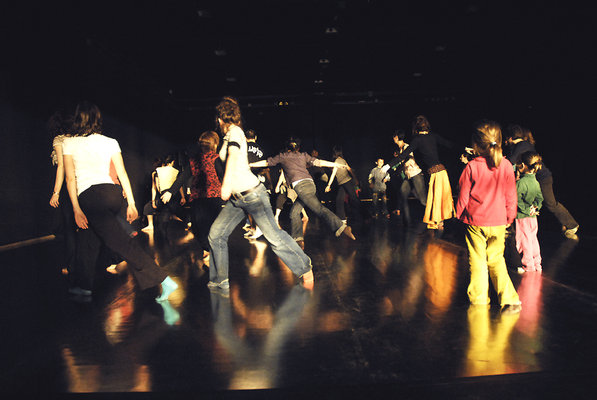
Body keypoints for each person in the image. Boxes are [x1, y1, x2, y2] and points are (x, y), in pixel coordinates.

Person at [63, 101, 177, 302]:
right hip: (112, 193)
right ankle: (82, 286)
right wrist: (131, 203)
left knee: (120, 242)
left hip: (90, 197)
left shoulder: (69, 143)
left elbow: (70, 178)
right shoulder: (110, 141)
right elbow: (122, 173)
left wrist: (76, 208)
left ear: (78, 119)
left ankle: (164, 279)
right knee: (87, 240)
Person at [207, 97, 314, 290]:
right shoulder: (228, 136)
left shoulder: (235, 132)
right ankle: (219, 280)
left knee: (273, 236)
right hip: (237, 199)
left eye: (217, 118)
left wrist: (225, 185)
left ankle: (305, 267)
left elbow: (232, 156)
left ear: (220, 118)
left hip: (252, 195)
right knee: (215, 234)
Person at [456, 120, 521, 313]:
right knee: (497, 259)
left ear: (475, 144)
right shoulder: (507, 166)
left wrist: (459, 214)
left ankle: (479, 300)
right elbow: (511, 196)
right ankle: (509, 299)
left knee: (477, 260)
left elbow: (463, 195)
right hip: (500, 221)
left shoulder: (471, 167)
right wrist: (510, 217)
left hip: (475, 222)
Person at [250, 137, 356, 249]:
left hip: (301, 188)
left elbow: (266, 162)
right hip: (310, 185)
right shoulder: (303, 155)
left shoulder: (283, 156)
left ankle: (342, 227)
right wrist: (335, 165)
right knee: (294, 213)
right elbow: (319, 162)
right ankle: (298, 239)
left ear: (287, 148)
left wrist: (251, 165)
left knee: (319, 209)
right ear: (298, 148)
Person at [505, 125, 579, 239]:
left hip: (543, 179)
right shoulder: (520, 146)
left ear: (510, 138)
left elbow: (511, 162)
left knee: (550, 204)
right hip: (532, 180)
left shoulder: (522, 145)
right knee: (519, 201)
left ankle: (572, 224)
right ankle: (510, 228)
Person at [162, 131, 224, 260]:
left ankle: (211, 250)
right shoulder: (194, 160)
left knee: (212, 227)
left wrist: (230, 191)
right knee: (197, 226)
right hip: (198, 198)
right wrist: (170, 191)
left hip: (213, 197)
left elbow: (222, 176)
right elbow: (183, 177)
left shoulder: (215, 158)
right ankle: (207, 248)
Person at [385, 115, 455, 230]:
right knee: (403, 194)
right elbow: (448, 144)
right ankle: (406, 223)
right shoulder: (412, 143)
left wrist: (388, 166)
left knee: (424, 199)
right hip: (414, 176)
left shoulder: (415, 141)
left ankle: (438, 219)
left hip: (420, 174)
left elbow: (405, 158)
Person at [48, 110, 77, 277]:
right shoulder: (79, 139)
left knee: (70, 227)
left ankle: (71, 264)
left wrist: (56, 192)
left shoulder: (60, 140)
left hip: (68, 186)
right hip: (83, 184)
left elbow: (61, 167)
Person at [515, 151, 544, 272]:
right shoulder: (535, 182)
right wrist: (535, 208)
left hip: (522, 217)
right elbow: (540, 198)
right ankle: (537, 263)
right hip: (533, 217)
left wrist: (526, 210)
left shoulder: (521, 183)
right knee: (533, 239)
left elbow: (516, 200)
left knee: (524, 240)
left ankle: (528, 265)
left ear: (523, 165)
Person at [391, 129, 427, 226]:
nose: (393, 138)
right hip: (408, 177)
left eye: (394, 137)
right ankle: (406, 221)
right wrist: (399, 171)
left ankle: (432, 219)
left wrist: (400, 167)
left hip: (415, 174)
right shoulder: (400, 149)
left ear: (397, 137)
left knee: (422, 199)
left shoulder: (406, 147)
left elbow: (410, 161)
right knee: (403, 193)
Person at [326, 145, 362, 226]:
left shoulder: (337, 161)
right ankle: (342, 219)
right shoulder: (342, 160)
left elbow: (333, 174)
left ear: (334, 153)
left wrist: (328, 185)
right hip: (343, 183)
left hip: (347, 182)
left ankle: (363, 215)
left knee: (354, 199)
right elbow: (349, 169)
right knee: (339, 199)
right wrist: (355, 179)